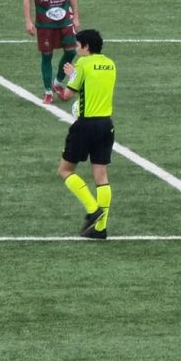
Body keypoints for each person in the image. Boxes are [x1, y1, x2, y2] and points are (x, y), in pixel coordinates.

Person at [56, 29, 116, 240]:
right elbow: (94, 85)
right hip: (106, 124)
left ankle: (92, 209)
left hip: (85, 125)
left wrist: (70, 76)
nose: (76, 48)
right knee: (101, 175)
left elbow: (67, 95)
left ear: (87, 46)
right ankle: (100, 229)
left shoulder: (83, 64)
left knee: (65, 170)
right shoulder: (110, 64)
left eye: (78, 44)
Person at [23, 0, 80, 104]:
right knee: (46, 55)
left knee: (71, 51)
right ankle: (48, 91)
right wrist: (28, 21)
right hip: (45, 22)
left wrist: (76, 16)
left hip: (65, 19)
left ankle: (58, 82)